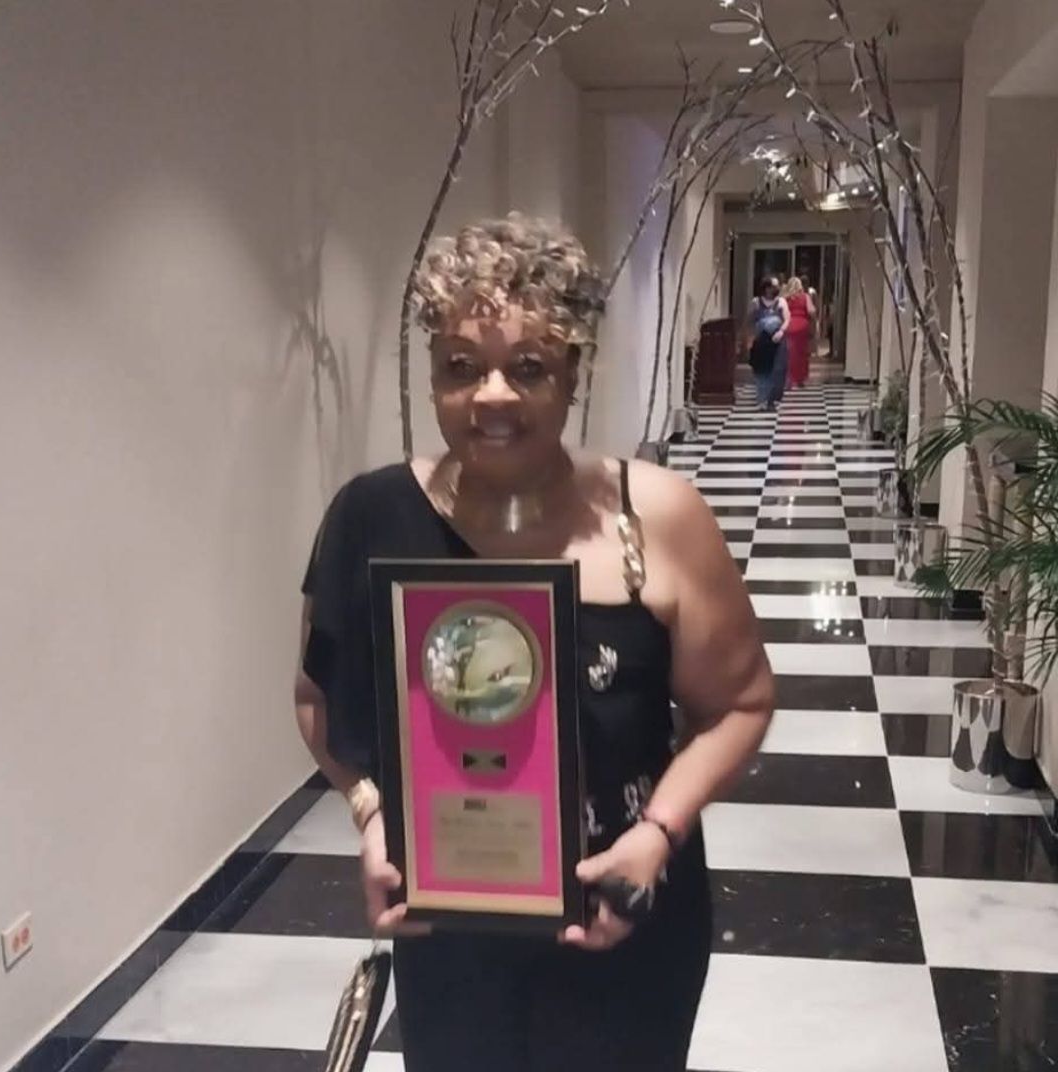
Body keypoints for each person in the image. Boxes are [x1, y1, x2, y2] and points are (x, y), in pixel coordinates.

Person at [294, 213, 775, 1072]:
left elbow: (738, 704)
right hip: (453, 913)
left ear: (573, 375)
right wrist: (374, 817)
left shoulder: (656, 515)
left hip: (627, 901)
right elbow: (318, 703)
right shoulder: (372, 516)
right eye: (461, 368)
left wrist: (657, 836)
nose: (493, 396)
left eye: (527, 368)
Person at [746, 275, 789, 411]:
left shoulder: (781, 302)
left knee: (777, 370)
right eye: (773, 286)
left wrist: (781, 331)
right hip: (761, 342)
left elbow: (787, 319)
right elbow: (749, 321)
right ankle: (762, 400)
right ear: (766, 288)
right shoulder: (756, 302)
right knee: (761, 371)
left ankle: (774, 399)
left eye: (777, 286)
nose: (776, 289)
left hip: (777, 341)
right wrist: (749, 339)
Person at [783, 276, 816, 389]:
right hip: (802, 326)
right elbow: (811, 311)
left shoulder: (786, 298)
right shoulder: (805, 297)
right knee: (802, 354)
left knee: (790, 354)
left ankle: (789, 379)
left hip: (789, 325)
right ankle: (800, 379)